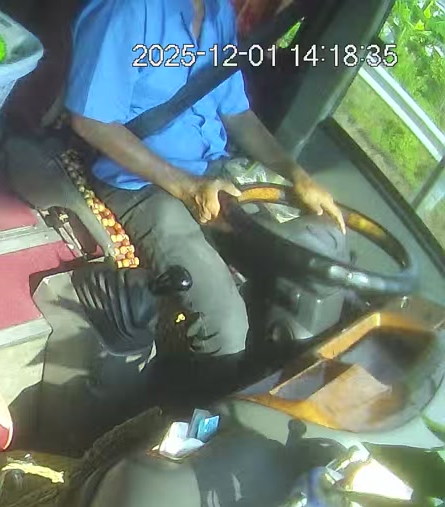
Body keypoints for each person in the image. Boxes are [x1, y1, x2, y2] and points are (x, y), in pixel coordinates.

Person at [66, 0, 345, 383]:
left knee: (306, 265)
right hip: (140, 184)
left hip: (212, 172)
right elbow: (90, 120)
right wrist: (187, 187)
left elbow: (237, 113)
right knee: (226, 326)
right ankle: (196, 410)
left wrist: (296, 174)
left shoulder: (218, 14)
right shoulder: (127, 10)